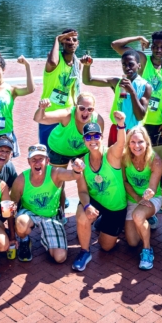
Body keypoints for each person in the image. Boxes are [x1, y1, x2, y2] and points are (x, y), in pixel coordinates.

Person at [11, 144, 85, 263]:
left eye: (41, 159)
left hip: (51, 215)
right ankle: (24, 241)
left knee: (60, 257)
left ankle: (48, 238)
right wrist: (12, 235)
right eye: (33, 159)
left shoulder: (55, 173)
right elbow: (12, 206)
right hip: (30, 213)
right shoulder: (21, 180)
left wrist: (76, 169)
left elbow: (72, 175)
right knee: (21, 222)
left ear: (47, 161)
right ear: (29, 162)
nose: (37, 163)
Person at [72, 112, 127, 271]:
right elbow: (82, 191)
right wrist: (87, 205)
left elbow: (121, 143)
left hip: (116, 206)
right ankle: (85, 251)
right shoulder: (82, 162)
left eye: (96, 136)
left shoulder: (111, 154)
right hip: (95, 201)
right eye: (88, 137)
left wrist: (121, 124)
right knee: (82, 213)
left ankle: (103, 222)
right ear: (84, 141)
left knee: (106, 247)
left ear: (102, 137)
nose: (93, 140)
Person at [111, 30, 162, 147]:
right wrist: (138, 38)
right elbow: (115, 45)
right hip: (140, 119)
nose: (158, 50)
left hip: (159, 121)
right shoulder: (142, 60)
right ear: (151, 47)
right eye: (155, 46)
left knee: (157, 155)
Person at [82, 49, 151, 146]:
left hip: (133, 132)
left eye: (131, 64)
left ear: (139, 65)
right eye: (124, 65)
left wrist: (132, 92)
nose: (127, 68)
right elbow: (88, 81)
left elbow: (140, 116)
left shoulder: (145, 86)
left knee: (130, 160)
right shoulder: (117, 82)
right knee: (113, 158)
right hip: (116, 128)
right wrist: (87, 66)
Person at [122, 127, 162, 270]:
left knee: (138, 215)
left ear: (147, 143)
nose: (136, 146)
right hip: (133, 197)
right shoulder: (124, 158)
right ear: (128, 143)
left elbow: (152, 187)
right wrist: (136, 197)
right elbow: (125, 182)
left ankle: (147, 250)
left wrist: (147, 194)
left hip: (151, 198)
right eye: (132, 142)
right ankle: (148, 219)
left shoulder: (155, 160)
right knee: (132, 242)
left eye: (140, 142)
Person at [33, 92, 105, 167]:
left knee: (84, 176)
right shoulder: (67, 115)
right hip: (58, 149)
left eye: (90, 109)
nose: (85, 112)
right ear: (76, 106)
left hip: (82, 152)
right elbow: (39, 118)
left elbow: (98, 143)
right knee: (58, 177)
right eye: (82, 108)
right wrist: (42, 108)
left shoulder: (98, 121)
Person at [39, 29, 81, 146]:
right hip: (49, 113)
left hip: (67, 115)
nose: (71, 42)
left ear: (77, 44)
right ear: (62, 43)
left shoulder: (77, 64)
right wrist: (57, 38)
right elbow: (52, 61)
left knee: (64, 151)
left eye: (74, 40)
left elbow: (74, 89)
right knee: (47, 151)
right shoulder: (55, 62)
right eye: (67, 39)